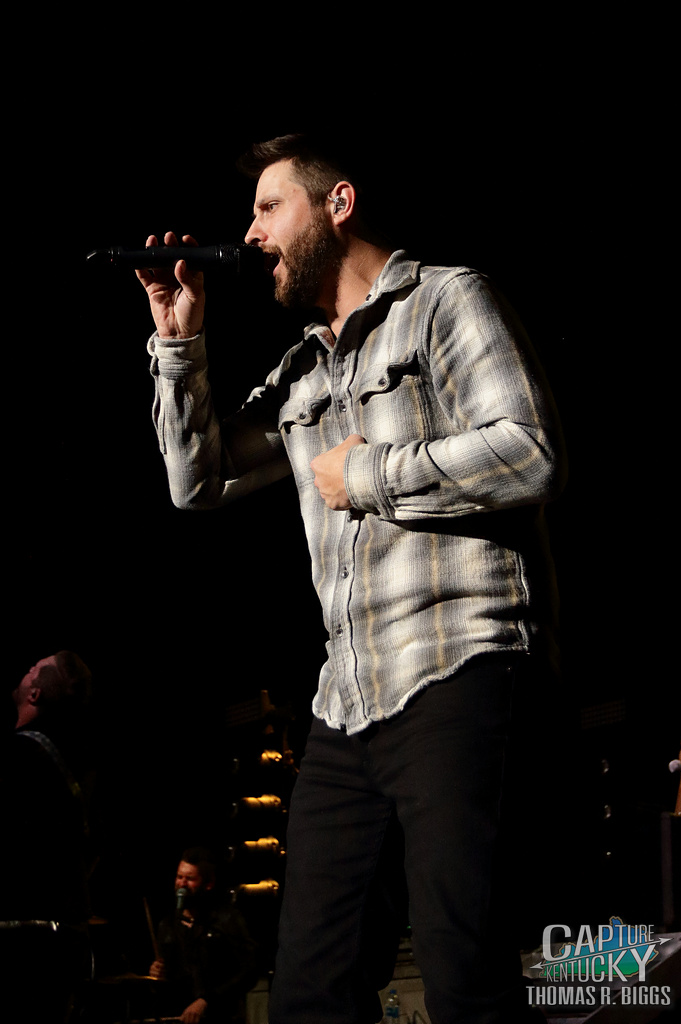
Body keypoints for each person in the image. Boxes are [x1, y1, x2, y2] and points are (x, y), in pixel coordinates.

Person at [138, 134, 567, 1024]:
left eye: (268, 208)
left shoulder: (445, 299)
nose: (249, 234)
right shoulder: (301, 369)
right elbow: (196, 481)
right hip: (346, 701)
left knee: (462, 974)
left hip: (459, 663)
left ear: (337, 204)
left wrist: (368, 473)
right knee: (308, 990)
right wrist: (179, 343)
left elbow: (527, 452)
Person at [0, 650, 94, 1021]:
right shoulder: (75, 768)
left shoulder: (17, 758)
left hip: (20, 951)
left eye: (35, 669)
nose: (28, 668)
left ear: (35, 694)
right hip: (63, 948)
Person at [149, 847, 257, 1023]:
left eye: (190, 879)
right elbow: (171, 980)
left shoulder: (226, 919)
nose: (182, 884)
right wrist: (157, 974)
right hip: (181, 1017)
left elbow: (249, 970)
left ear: (209, 884)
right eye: (179, 877)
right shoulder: (168, 925)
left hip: (221, 1017)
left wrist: (207, 1000)